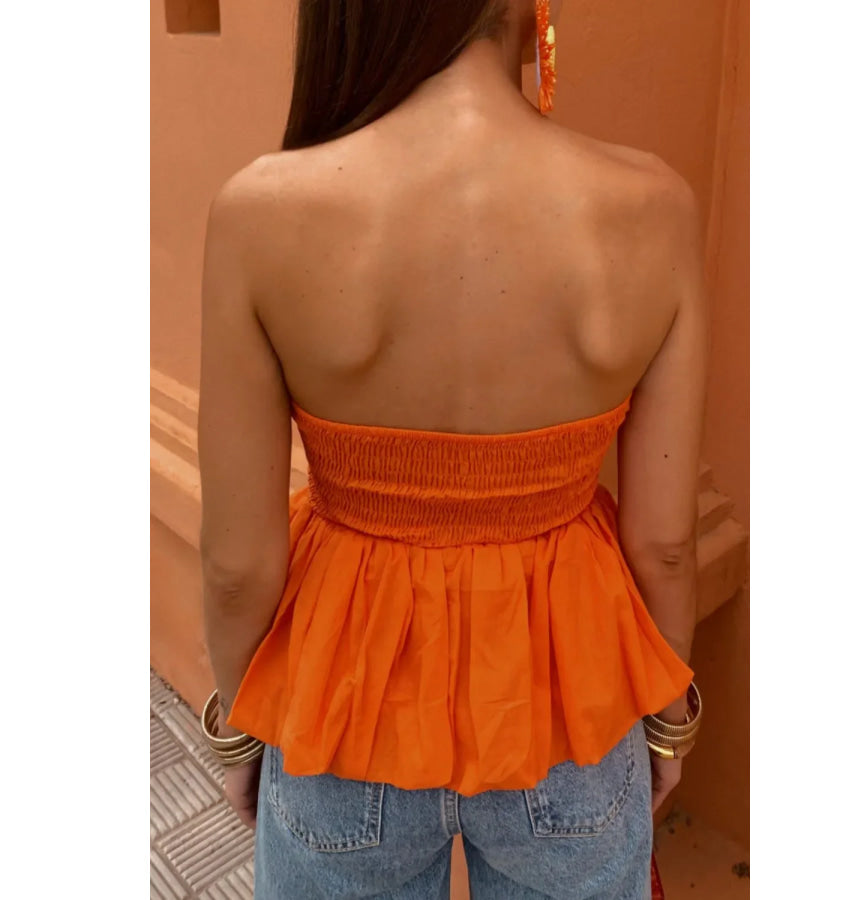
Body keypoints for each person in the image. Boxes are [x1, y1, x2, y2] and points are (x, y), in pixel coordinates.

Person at [196, 1, 708, 897]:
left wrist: (243, 731)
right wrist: (667, 723)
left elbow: (238, 568)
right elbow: (664, 544)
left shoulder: (260, 211)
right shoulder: (654, 207)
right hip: (569, 709)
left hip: (343, 713)